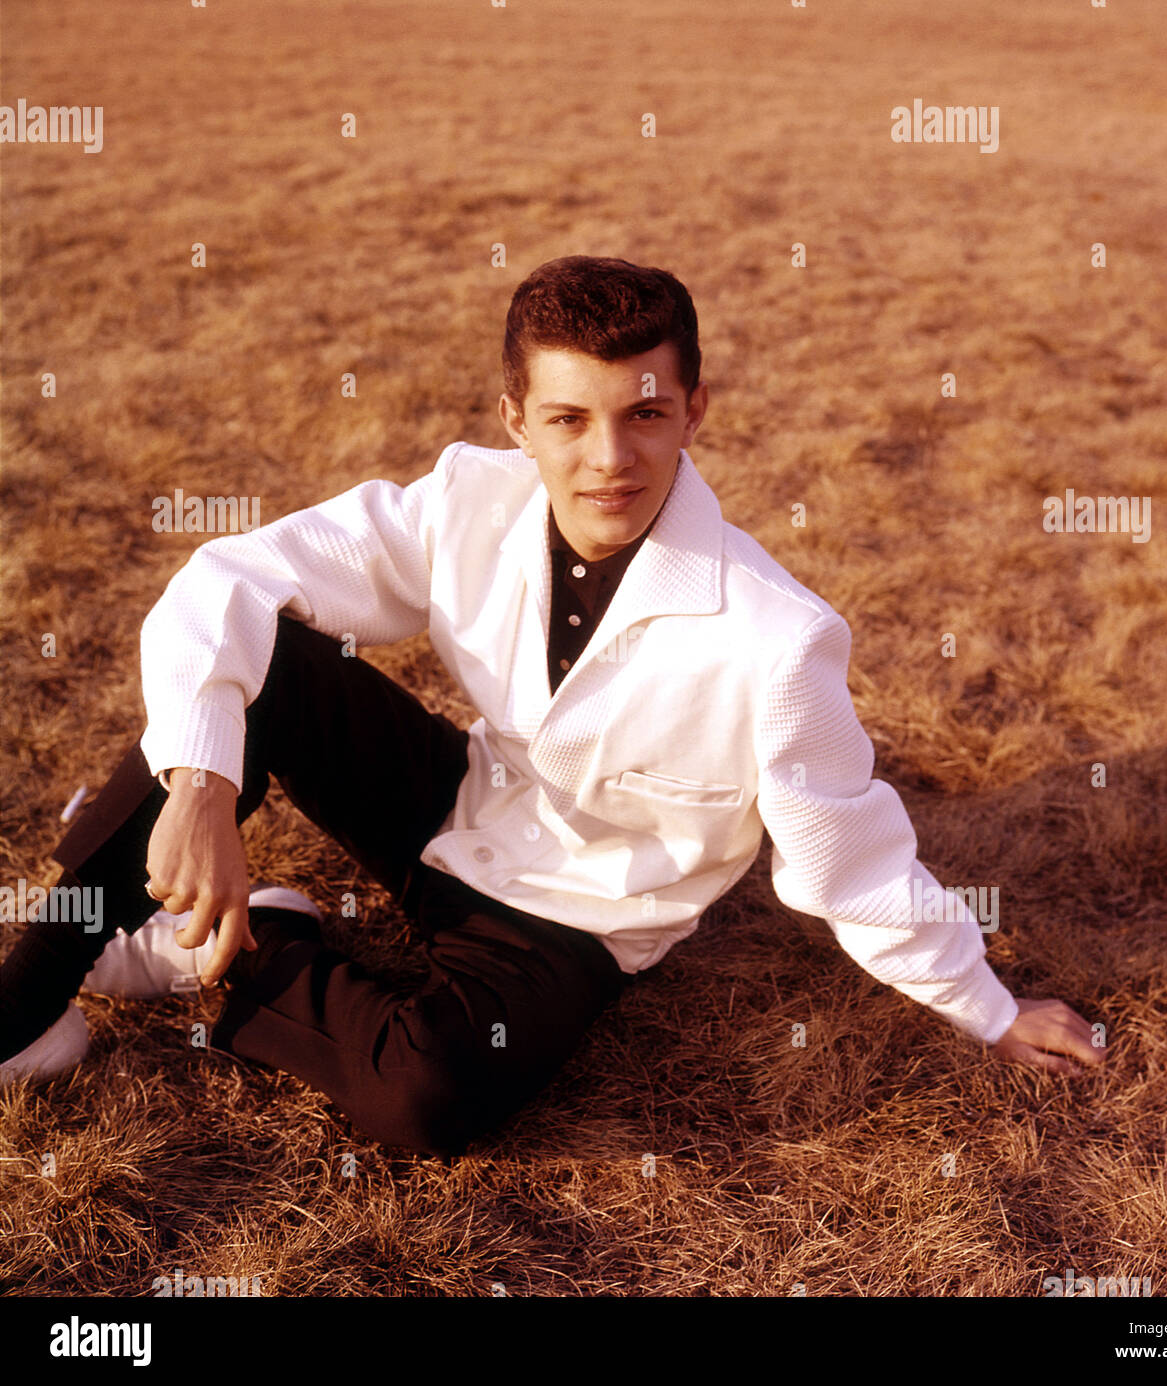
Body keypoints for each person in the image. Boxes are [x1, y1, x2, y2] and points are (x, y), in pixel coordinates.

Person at [0, 255, 1106, 1155]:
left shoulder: (777, 635)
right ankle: (25, 1010)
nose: (609, 458)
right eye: (568, 420)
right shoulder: (466, 499)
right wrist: (202, 784)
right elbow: (227, 580)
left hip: (582, 918)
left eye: (644, 414)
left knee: (422, 1099)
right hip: (461, 800)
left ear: (692, 412)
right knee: (242, 673)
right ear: (516, 419)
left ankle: (234, 947)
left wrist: (987, 1006)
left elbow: (849, 862)